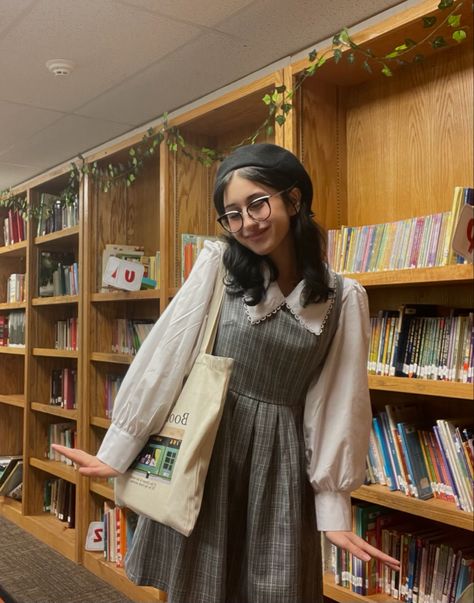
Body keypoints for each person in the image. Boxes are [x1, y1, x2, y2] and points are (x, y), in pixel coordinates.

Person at [54, 143, 400, 603]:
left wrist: (333, 506)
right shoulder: (218, 266)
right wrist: (119, 447)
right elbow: (167, 356)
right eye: (232, 214)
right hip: (209, 450)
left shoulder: (343, 297)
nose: (246, 223)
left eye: (257, 203)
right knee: (198, 587)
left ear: (294, 200)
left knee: (273, 588)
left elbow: (338, 400)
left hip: (280, 465)